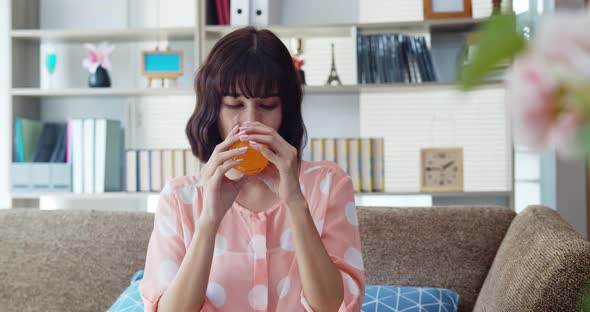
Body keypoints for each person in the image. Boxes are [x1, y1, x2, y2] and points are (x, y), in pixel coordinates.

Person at [139, 26, 365, 312]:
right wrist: (209, 218)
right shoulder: (180, 197)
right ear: (213, 110)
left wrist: (295, 203)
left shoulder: (328, 185)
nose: (249, 121)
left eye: (267, 105)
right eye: (234, 104)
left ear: (286, 111)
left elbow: (333, 306)